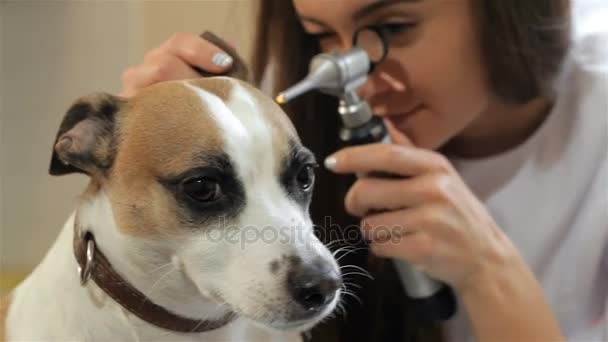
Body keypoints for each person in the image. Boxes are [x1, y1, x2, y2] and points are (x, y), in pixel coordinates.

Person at [120, 0, 608, 341]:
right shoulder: (286, 111)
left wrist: (487, 268)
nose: (348, 71)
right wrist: (133, 140)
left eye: (393, 28)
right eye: (320, 35)